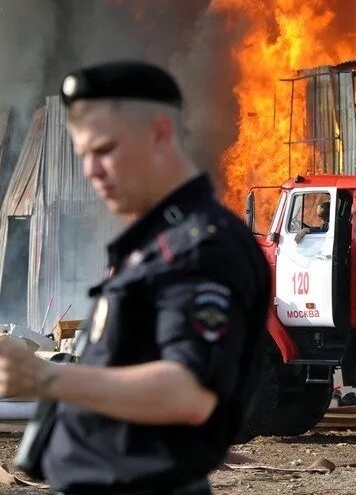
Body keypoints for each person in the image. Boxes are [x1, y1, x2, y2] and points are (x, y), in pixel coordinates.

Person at [0, 61, 270, 494]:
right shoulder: (150, 247)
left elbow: (188, 394)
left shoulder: (201, 250)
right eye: (84, 154)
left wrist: (45, 378)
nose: (91, 170)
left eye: (104, 149)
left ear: (159, 133)